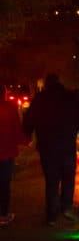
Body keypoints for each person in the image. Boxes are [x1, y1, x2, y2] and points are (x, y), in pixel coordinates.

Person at [23, 73, 79, 226]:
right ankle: (66, 207)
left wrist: (27, 135)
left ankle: (52, 214)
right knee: (68, 178)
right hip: (67, 145)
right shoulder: (70, 98)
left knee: (51, 181)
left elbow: (28, 120)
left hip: (47, 147)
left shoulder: (40, 100)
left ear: (46, 85)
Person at [0, 84, 25, 225]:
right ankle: (3, 214)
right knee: (4, 184)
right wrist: (24, 140)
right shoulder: (10, 108)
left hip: (7, 151)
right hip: (6, 153)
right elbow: (16, 128)